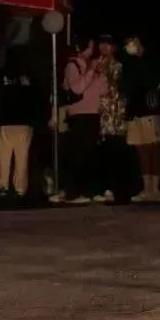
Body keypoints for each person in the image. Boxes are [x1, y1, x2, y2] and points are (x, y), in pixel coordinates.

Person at [59, 37, 106, 205]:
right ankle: (74, 191)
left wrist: (101, 74)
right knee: (78, 155)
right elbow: (77, 88)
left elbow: (103, 90)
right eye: (89, 47)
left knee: (91, 155)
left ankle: (91, 190)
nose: (92, 51)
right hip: (79, 115)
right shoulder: (72, 66)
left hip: (93, 113)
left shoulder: (92, 65)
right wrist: (91, 72)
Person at [0, 46, 40, 199]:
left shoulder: (0, 74)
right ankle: (20, 187)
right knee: (22, 156)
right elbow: (34, 99)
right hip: (24, 121)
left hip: (5, 121)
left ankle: (3, 185)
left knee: (4, 156)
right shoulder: (28, 76)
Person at [123, 35, 160, 203]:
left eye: (130, 43)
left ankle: (155, 190)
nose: (128, 47)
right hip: (134, 113)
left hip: (149, 111)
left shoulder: (151, 60)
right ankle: (146, 189)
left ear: (138, 42)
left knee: (153, 149)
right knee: (141, 150)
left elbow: (155, 82)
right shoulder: (130, 63)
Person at [93, 35, 131, 204]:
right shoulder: (96, 64)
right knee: (105, 151)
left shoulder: (117, 65)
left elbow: (116, 88)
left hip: (116, 116)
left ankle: (118, 188)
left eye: (107, 44)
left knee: (117, 150)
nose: (103, 47)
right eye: (101, 44)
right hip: (101, 115)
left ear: (113, 47)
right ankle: (106, 187)